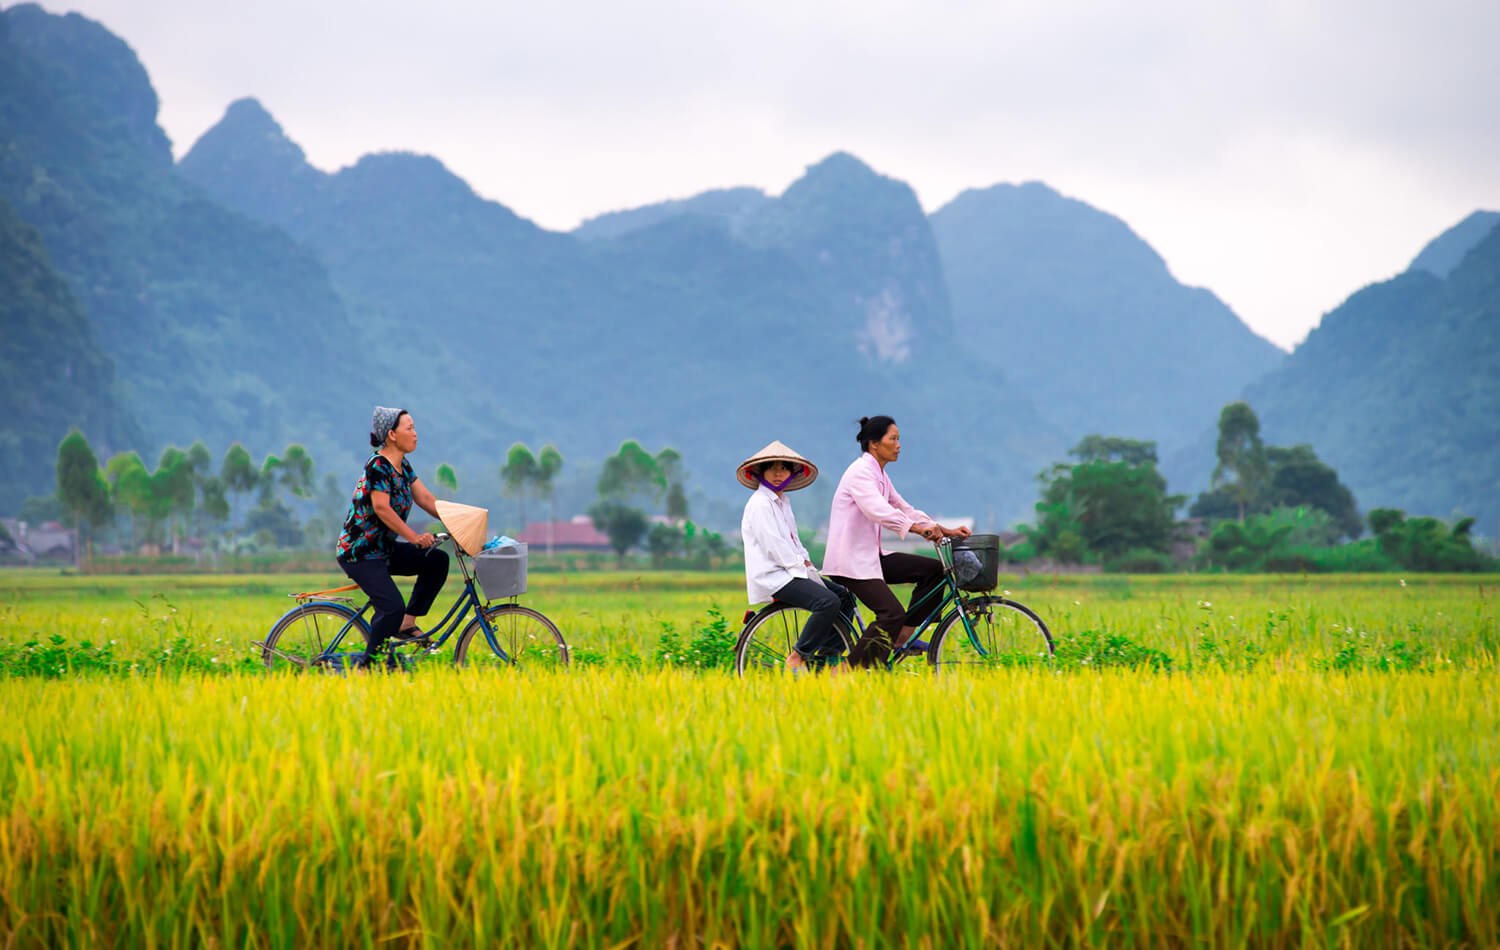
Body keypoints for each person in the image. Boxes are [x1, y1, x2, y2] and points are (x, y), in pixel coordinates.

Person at [822, 416, 970, 668]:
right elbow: (876, 509)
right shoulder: (860, 472)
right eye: (893, 439)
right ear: (874, 444)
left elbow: (902, 507)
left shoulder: (879, 474)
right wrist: (916, 529)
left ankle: (901, 638)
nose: (899, 445)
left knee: (933, 571)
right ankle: (846, 671)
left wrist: (945, 530)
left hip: (870, 556)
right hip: (849, 560)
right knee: (891, 613)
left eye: (898, 439)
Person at [335, 406, 449, 667]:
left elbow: (427, 500)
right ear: (392, 435)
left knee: (437, 561)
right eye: (410, 428)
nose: (416, 434)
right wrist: (413, 537)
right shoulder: (378, 466)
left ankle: (407, 625)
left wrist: (461, 520)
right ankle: (366, 668)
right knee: (391, 607)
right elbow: (382, 508)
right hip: (360, 552)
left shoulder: (403, 466)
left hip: (383, 549)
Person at [738, 440, 857, 674]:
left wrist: (807, 564)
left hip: (791, 571)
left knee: (845, 598)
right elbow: (774, 546)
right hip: (775, 575)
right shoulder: (760, 504)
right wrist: (801, 568)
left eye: (783, 468)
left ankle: (827, 658)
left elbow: (794, 541)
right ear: (761, 472)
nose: (778, 473)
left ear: (791, 473)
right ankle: (798, 655)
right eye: (772, 468)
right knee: (827, 602)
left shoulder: (782, 503)